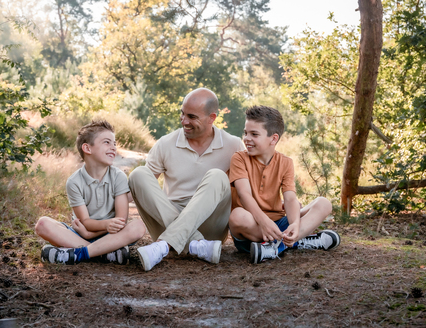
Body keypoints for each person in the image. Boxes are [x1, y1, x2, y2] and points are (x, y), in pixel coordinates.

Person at [128, 88, 245, 271]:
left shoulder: (234, 145)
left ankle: (165, 245)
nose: (184, 121)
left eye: (191, 117)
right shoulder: (166, 143)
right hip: (168, 222)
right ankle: (194, 244)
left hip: (210, 227)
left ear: (211, 118)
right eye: (182, 114)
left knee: (218, 176)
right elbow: (142, 188)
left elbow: (248, 190)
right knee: (138, 175)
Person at [229, 105, 340, 264]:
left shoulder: (286, 162)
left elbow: (289, 198)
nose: (247, 138)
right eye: (245, 133)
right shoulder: (239, 158)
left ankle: (277, 246)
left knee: (324, 203)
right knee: (237, 216)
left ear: (273, 139)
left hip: (279, 223)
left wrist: (294, 223)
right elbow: (244, 194)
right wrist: (264, 221)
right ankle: (298, 241)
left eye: (254, 134)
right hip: (252, 229)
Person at [35, 120, 145, 265]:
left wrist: (90, 233)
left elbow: (121, 220)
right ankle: (105, 253)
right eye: (107, 142)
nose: (113, 148)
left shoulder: (118, 176)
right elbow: (85, 222)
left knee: (138, 226)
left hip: (111, 234)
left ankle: (79, 253)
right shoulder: (74, 182)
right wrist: (88, 232)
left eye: (114, 144)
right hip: (80, 234)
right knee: (42, 224)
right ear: (87, 148)